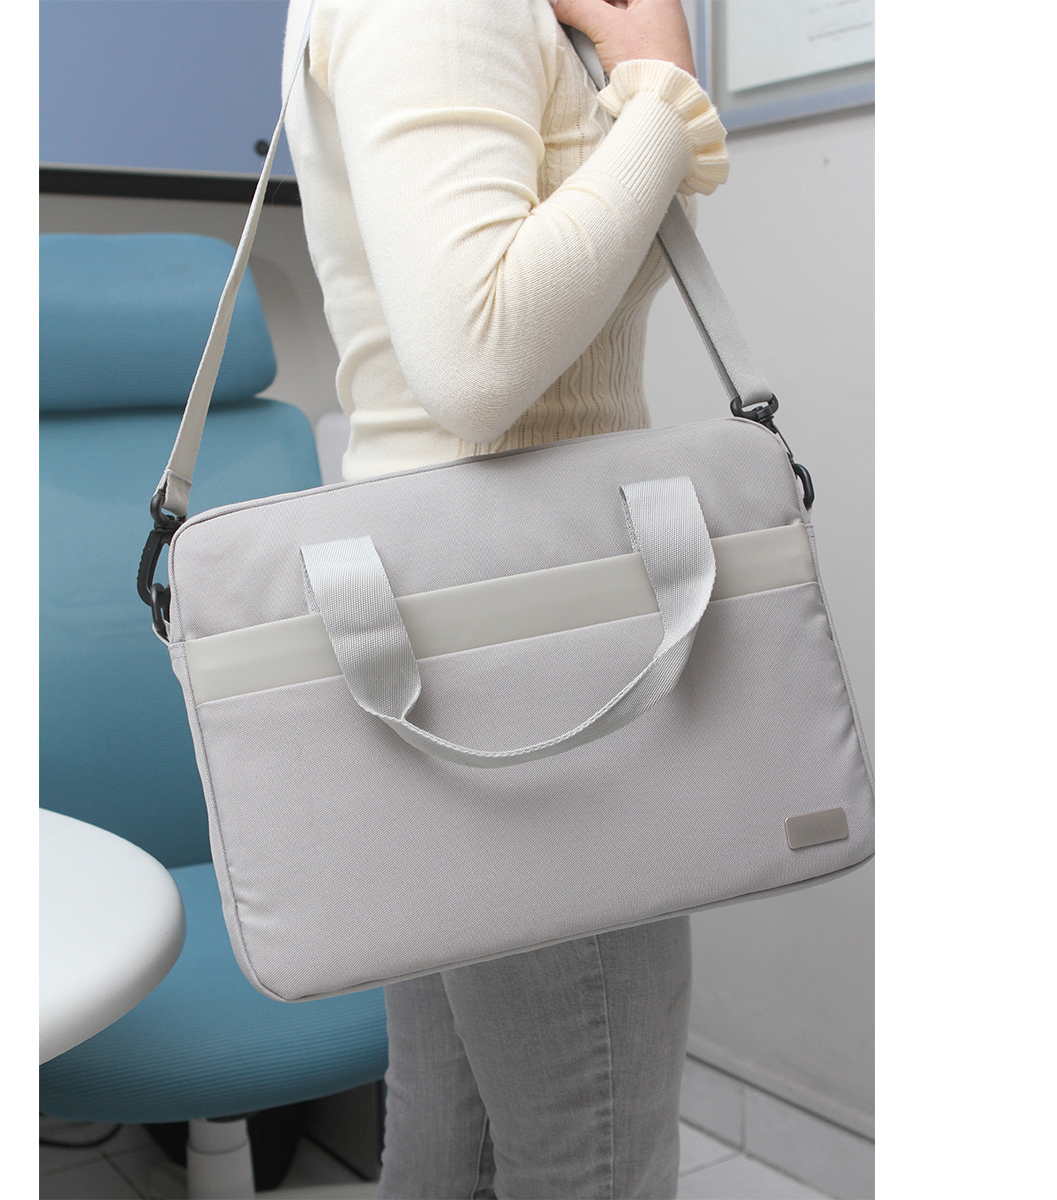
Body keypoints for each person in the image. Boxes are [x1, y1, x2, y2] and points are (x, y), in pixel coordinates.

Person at [283, 1, 728, 1195]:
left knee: (456, 1128)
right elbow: (477, 358)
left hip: (475, 619)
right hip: (529, 645)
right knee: (594, 1147)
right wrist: (658, 92)